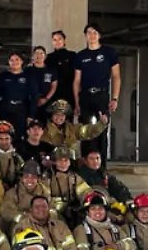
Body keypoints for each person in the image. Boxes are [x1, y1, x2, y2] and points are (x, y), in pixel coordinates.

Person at [71, 24, 120, 158]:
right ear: (85, 35)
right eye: (89, 32)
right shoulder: (81, 56)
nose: (91, 35)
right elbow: (76, 81)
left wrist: (115, 98)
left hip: (102, 96)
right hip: (86, 96)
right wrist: (76, 103)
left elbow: (116, 76)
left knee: (102, 133)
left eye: (94, 32)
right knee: (85, 132)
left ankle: (101, 169)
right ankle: (86, 166)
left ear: (99, 35)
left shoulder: (109, 53)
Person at [1, 160, 52, 232]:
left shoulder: (45, 192)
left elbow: (52, 210)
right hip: (22, 226)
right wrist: (25, 217)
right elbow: (6, 212)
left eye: (33, 177)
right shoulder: (12, 193)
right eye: (26, 176)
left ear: (38, 178)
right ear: (21, 178)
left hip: (42, 226)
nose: (30, 180)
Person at [0, 52, 33, 137]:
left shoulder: (28, 76)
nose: (14, 62)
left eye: (17, 59)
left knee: (19, 135)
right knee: (5, 134)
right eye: (12, 60)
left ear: (22, 61)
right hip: (5, 110)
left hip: (21, 110)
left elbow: (32, 97)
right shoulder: (3, 76)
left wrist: (30, 115)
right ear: (9, 62)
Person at [46, 146, 91, 222]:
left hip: (72, 212)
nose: (63, 163)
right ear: (55, 161)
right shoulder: (48, 177)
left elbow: (85, 192)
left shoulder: (74, 177)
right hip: (52, 213)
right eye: (60, 160)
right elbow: (44, 196)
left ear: (70, 162)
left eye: (66, 160)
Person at [44, 30, 78, 116]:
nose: (57, 42)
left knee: (68, 122)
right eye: (54, 40)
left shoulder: (72, 55)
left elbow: (77, 77)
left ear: (64, 41)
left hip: (69, 93)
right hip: (53, 94)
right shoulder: (48, 58)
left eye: (59, 39)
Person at [0, 121, 26, 189]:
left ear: (11, 139)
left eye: (7, 139)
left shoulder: (16, 157)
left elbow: (22, 174)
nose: (4, 142)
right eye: (0, 139)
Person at [26, 46, 57, 119]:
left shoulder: (51, 70)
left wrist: (46, 98)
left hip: (46, 102)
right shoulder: (27, 70)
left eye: (41, 53)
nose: (39, 55)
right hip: (30, 103)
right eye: (36, 53)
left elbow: (54, 86)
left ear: (45, 56)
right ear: (33, 56)